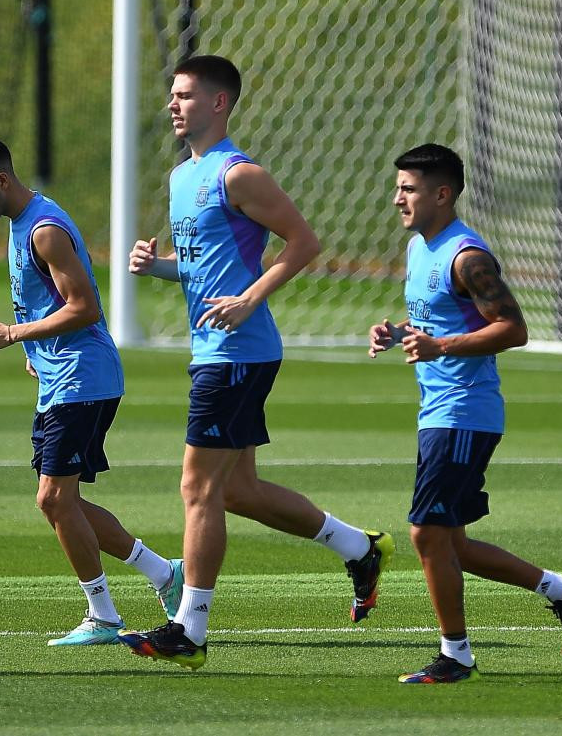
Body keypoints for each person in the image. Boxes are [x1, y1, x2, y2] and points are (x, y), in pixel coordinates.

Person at [121, 55, 393, 670]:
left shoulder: (240, 174)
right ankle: (358, 547)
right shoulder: (180, 177)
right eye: (172, 95)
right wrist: (159, 267)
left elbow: (305, 242)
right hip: (214, 349)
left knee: (197, 487)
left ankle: (189, 628)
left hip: (238, 353)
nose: (173, 104)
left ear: (219, 104)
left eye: (186, 95)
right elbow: (207, 268)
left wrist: (250, 299)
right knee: (236, 490)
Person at [368, 142, 562, 683]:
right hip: (438, 412)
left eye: (409, 189)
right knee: (453, 545)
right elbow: (441, 318)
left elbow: (513, 329)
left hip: (464, 413)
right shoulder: (423, 248)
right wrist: (399, 332)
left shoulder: (467, 257)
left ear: (442, 194)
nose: (398, 198)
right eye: (398, 187)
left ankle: (456, 655)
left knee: (425, 534)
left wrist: (440, 348)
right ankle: (561, 590)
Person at [0, 136, 185, 646]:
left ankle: (103, 615)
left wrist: (13, 334)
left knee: (53, 498)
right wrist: (34, 353)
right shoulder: (22, 225)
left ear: (2, 180)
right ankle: (166, 575)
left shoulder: (44, 230)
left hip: (84, 377)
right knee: (63, 501)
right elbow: (48, 303)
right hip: (63, 377)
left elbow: (84, 308)